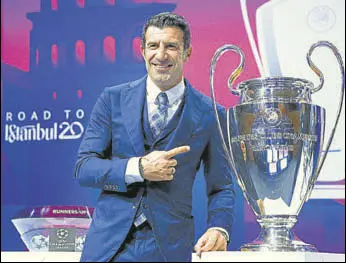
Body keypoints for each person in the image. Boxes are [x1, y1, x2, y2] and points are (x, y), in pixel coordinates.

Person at [74, 12, 235, 262]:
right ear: (142, 50)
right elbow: (84, 167)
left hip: (170, 248)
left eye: (171, 46)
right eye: (153, 46)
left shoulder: (211, 113)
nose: (160, 55)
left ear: (187, 52)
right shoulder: (111, 99)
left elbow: (221, 186)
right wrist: (138, 168)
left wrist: (219, 228)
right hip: (110, 248)